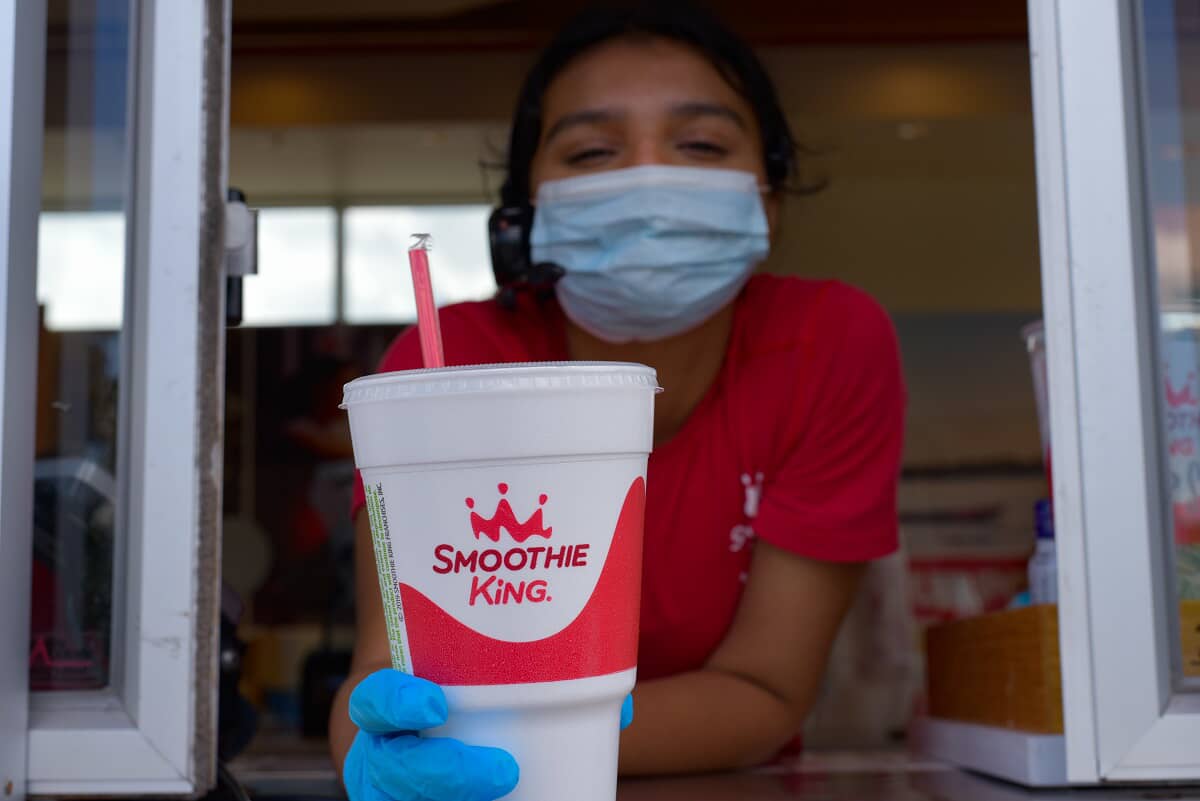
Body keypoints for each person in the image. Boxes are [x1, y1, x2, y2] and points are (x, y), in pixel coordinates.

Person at [330, 3, 905, 799]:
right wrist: (384, 750)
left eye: (701, 144)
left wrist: (539, 740)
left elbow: (766, 690)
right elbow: (383, 678)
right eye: (593, 150)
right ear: (524, 215)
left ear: (767, 197)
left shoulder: (831, 344)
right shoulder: (447, 366)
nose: (647, 179)